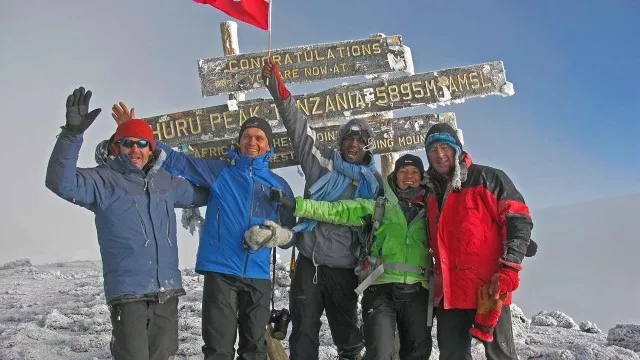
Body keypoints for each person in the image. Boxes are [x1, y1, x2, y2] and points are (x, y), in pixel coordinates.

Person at [108, 103, 296, 360]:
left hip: (259, 276)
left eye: (259, 138)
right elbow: (176, 161)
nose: (252, 142)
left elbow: (290, 236)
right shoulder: (221, 173)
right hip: (221, 274)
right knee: (217, 349)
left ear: (268, 146)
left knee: (255, 350)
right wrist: (138, 134)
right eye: (246, 137)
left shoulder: (279, 185)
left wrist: (279, 227)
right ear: (239, 142)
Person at [45, 87, 209, 360]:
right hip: (129, 294)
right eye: (128, 143)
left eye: (142, 143)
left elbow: (205, 193)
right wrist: (71, 134)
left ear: (151, 148)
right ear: (116, 147)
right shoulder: (103, 181)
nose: (136, 149)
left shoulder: (166, 182)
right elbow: (59, 182)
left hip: (167, 292)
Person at [261, 60, 383, 360]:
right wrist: (280, 92)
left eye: (360, 140)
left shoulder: (375, 185)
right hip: (308, 265)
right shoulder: (321, 163)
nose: (353, 144)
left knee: (349, 339)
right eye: (348, 138)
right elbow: (299, 128)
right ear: (340, 142)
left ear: (368, 147)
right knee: (302, 336)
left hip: (344, 271)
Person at [264, 154, 433, 360]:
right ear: (394, 176)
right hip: (381, 289)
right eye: (403, 171)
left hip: (419, 291)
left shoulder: (433, 208)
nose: (408, 176)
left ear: (421, 177)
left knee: (418, 354)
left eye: (414, 172)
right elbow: (338, 210)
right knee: (379, 354)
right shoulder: (378, 206)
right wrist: (297, 205)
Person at [422, 123, 534, 359]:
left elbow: (519, 219)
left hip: (489, 288)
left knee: (500, 355)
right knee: (452, 355)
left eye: (445, 147)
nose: (439, 155)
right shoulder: (429, 190)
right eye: (433, 150)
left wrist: (509, 268)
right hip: (449, 294)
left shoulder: (487, 178)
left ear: (457, 149)